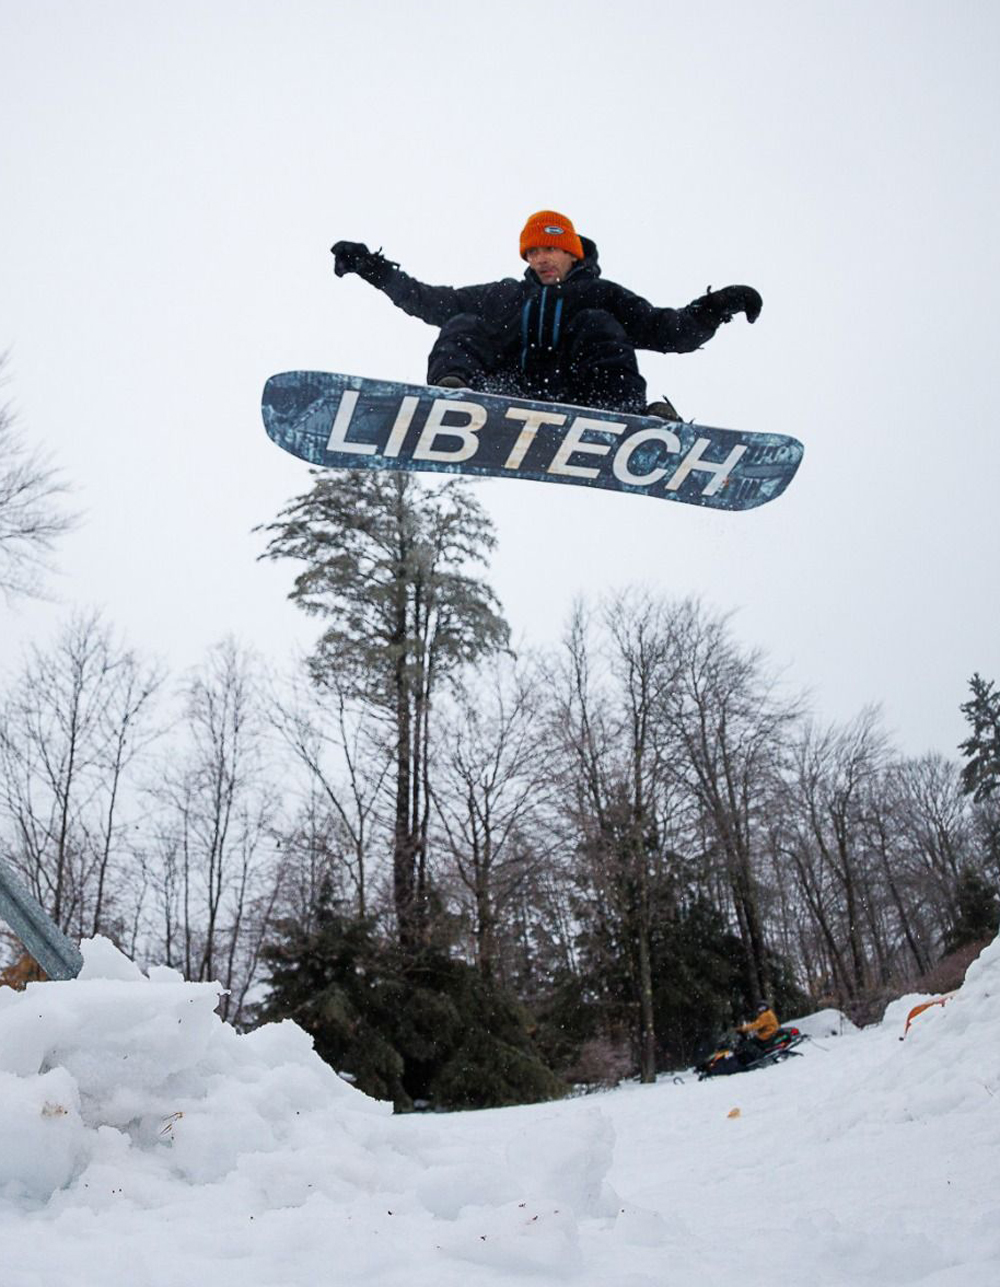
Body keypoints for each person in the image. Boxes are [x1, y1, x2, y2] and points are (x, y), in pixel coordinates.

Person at [330, 209, 762, 421]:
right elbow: (428, 301)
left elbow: (670, 333)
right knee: (463, 323)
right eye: (533, 251)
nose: (541, 259)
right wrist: (373, 268)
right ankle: (455, 397)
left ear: (571, 253)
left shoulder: (601, 295)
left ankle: (623, 418)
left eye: (550, 249)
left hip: (584, 396)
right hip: (507, 389)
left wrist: (717, 305)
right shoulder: (506, 296)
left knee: (599, 325)